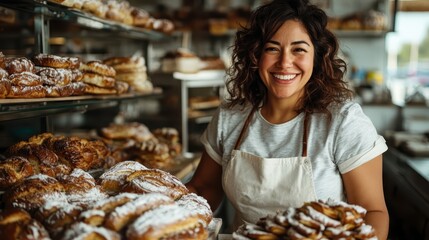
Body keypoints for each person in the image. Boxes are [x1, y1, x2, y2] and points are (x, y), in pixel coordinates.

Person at [185, 0, 389, 239]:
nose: (284, 62)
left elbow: (372, 212)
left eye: (299, 49)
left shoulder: (343, 122)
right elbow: (202, 189)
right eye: (272, 48)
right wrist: (161, 207)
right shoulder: (231, 117)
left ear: (317, 57)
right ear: (255, 55)